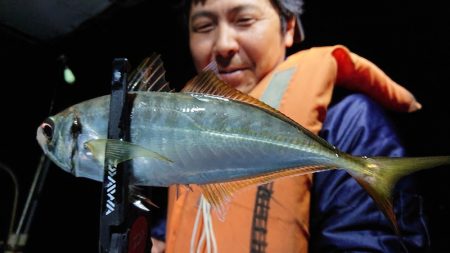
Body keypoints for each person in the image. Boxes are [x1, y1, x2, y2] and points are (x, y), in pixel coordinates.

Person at [152, 0, 430, 252]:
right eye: (203, 26)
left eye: (245, 20)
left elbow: (369, 241)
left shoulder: (347, 121)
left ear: (288, 27)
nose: (224, 44)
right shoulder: (184, 128)